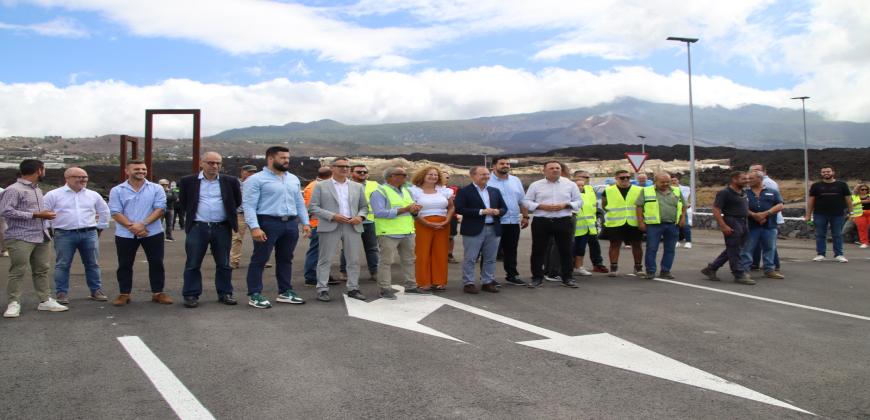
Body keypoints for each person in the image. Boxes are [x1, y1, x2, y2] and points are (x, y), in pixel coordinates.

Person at [243, 146, 312, 309]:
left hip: (290, 223)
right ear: (270, 159)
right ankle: (254, 293)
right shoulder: (256, 179)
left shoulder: (293, 179)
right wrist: (254, 227)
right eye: (282, 158)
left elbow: (299, 203)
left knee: (286, 258)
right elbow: (249, 205)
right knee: (260, 259)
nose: (286, 160)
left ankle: (285, 291)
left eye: (288, 158)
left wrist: (306, 223)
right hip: (267, 222)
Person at [1, 160, 68, 317]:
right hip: (20, 237)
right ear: (39, 170)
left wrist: (43, 214)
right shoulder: (13, 190)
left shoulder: (37, 190)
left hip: (41, 235)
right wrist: (37, 214)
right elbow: (5, 211)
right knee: (18, 270)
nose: (44, 172)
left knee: (42, 270)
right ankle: (13, 303)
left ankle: (44, 300)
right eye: (43, 169)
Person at [178, 152, 243, 308]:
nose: (214, 166)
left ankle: (225, 293)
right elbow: (185, 202)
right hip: (198, 227)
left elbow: (236, 201)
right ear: (201, 163)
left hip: (221, 227)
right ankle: (191, 294)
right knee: (193, 262)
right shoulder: (188, 181)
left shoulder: (230, 181)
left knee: (224, 263)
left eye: (218, 163)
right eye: (210, 163)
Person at [109, 159, 173, 305]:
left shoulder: (156, 188)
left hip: (153, 232)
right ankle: (124, 293)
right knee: (125, 264)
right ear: (127, 171)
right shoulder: (117, 190)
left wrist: (143, 224)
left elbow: (160, 208)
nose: (141, 172)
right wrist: (133, 227)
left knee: (156, 262)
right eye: (136, 169)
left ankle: (158, 292)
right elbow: (115, 211)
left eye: (143, 169)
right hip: (125, 234)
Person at [44, 167, 110, 304]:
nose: (83, 179)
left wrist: (100, 227)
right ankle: (61, 293)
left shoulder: (93, 195)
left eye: (85, 177)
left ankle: (96, 290)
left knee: (93, 264)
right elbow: (44, 213)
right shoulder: (53, 195)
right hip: (64, 234)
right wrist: (48, 230)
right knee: (62, 265)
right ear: (67, 178)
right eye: (78, 177)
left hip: (89, 233)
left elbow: (104, 211)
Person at [309, 157, 369, 302]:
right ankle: (322, 289)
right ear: (332, 168)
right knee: (325, 259)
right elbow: (313, 207)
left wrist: (360, 217)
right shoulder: (321, 186)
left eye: (347, 166)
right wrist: (333, 216)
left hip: (352, 225)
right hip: (330, 225)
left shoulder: (357, 186)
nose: (345, 169)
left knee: (353, 260)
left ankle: (353, 288)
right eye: (341, 166)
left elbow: (364, 207)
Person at [522, 161, 582, 289]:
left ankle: (567, 277)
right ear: (544, 171)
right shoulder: (536, 185)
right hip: (542, 221)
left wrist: (565, 205)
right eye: (551, 168)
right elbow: (526, 201)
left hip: (563, 220)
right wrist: (540, 206)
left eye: (557, 168)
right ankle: (537, 278)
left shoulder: (570, 184)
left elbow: (578, 202)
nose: (555, 170)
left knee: (566, 251)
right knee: (538, 251)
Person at [370, 166, 424, 299]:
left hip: (407, 231)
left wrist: (415, 210)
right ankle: (385, 288)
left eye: (405, 174)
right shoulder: (379, 192)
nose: (405, 177)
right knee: (386, 261)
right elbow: (379, 213)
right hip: (388, 232)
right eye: (402, 175)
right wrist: (404, 209)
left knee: (409, 260)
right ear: (391, 177)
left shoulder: (407, 191)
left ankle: (411, 286)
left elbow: (411, 211)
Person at [455, 166, 507, 293]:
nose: (486, 177)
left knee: (490, 258)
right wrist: (481, 212)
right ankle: (469, 283)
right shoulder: (464, 191)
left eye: (487, 174)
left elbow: (504, 208)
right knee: (471, 258)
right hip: (473, 229)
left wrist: (498, 211)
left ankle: (487, 282)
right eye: (482, 174)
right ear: (472, 176)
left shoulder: (495, 191)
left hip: (493, 229)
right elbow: (460, 209)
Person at [701, 171, 754, 284]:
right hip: (732, 221)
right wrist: (723, 225)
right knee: (734, 249)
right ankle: (739, 274)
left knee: (734, 249)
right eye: (744, 179)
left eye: (748, 179)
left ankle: (711, 268)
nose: (747, 181)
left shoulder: (743, 192)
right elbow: (716, 209)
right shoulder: (724, 193)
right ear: (734, 179)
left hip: (743, 222)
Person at [409, 165, 455, 292]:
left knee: (440, 253)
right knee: (422, 253)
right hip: (422, 223)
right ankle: (423, 282)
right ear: (422, 176)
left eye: (435, 175)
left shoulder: (444, 190)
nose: (433, 177)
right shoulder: (414, 191)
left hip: (443, 224)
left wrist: (446, 220)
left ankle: (439, 281)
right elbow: (412, 210)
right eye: (430, 174)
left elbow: (451, 207)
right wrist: (426, 223)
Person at [487, 157, 529, 285]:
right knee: (490, 251)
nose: (505, 165)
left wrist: (525, 216)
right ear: (494, 166)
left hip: (513, 221)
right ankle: (489, 277)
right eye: (502, 163)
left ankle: (512, 275)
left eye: (507, 163)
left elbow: (522, 200)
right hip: (495, 221)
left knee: (511, 250)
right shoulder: (487, 180)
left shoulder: (515, 180)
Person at [636, 172, 686, 279]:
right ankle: (651, 271)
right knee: (652, 248)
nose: (665, 184)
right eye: (662, 182)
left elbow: (683, 205)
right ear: (655, 182)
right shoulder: (646, 191)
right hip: (654, 225)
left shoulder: (676, 191)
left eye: (667, 182)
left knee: (670, 249)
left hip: (672, 225)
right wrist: (640, 222)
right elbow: (639, 207)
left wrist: (683, 218)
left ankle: (665, 271)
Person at [337, 163, 380, 281]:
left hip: (369, 221)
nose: (362, 174)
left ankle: (374, 272)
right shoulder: (344, 185)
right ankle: (344, 272)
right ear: (351, 173)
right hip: (350, 222)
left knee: (372, 248)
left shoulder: (375, 185)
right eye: (359, 172)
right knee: (348, 248)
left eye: (364, 172)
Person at [739, 171, 784, 279]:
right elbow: (741, 206)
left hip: (769, 225)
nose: (748, 180)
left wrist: (765, 214)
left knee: (770, 248)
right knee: (747, 249)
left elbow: (780, 205)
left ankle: (769, 269)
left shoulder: (772, 192)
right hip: (750, 226)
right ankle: (744, 270)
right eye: (748, 178)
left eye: (751, 178)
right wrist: (754, 215)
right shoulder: (743, 192)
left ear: (760, 179)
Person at [600, 169, 644, 277]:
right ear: (616, 178)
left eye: (627, 177)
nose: (625, 179)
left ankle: (638, 268)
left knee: (637, 244)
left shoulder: (639, 190)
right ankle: (613, 268)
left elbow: (643, 205)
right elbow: (604, 205)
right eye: (622, 177)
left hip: (634, 222)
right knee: (614, 245)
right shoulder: (608, 190)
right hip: (615, 222)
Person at [805, 165, 852, 263]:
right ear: (821, 173)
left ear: (833, 172)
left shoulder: (842, 185)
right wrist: (808, 215)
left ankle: (839, 255)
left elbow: (848, 200)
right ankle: (821, 254)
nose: (826, 173)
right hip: (820, 214)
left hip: (838, 214)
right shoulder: (816, 186)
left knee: (837, 234)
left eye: (828, 171)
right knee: (820, 234)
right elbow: (811, 201)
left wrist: (851, 212)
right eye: (824, 172)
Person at [572, 170, 608, 276]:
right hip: (575, 224)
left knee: (588, 246)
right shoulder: (569, 189)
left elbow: (592, 206)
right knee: (572, 247)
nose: (586, 179)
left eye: (588, 177)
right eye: (583, 177)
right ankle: (568, 266)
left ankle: (594, 264)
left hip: (589, 225)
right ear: (575, 177)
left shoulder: (589, 189)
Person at [302, 166, 333, 287]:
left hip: (318, 224)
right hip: (319, 225)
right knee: (316, 252)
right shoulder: (317, 187)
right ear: (330, 176)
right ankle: (311, 276)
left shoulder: (312, 185)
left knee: (321, 252)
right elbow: (313, 207)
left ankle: (320, 274)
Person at [748, 163, 782, 270]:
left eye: (757, 170)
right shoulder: (747, 189)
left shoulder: (769, 184)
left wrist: (764, 216)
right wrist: (755, 215)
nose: (754, 172)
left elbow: (774, 202)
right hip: (754, 222)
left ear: (764, 172)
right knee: (757, 245)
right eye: (752, 170)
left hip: (769, 221)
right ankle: (754, 264)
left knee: (769, 245)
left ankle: (773, 265)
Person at [230, 165, 259, 269]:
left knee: (259, 237)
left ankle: (261, 260)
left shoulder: (257, 183)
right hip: (240, 214)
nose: (252, 174)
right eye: (249, 172)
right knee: (237, 238)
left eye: (253, 172)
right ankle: (234, 260)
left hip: (254, 214)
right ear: (243, 172)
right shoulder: (236, 184)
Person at [671, 176, 693, 249]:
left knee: (685, 225)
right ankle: (676, 241)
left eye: (675, 180)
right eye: (672, 180)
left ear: (678, 181)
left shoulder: (685, 188)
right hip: (673, 209)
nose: (674, 182)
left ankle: (688, 241)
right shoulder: (668, 189)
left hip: (682, 209)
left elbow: (684, 197)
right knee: (675, 225)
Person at [445, 173, 461, 264]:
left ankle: (449, 254)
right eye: (443, 176)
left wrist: (458, 214)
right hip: (438, 215)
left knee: (451, 236)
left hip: (452, 216)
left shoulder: (454, 189)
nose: (445, 179)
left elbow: (460, 202)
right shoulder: (433, 189)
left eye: (447, 177)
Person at [852, 184, 870, 248]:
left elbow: (868, 201)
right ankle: (864, 242)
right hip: (859, 214)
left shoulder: (869, 195)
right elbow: (851, 203)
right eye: (862, 189)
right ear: (859, 190)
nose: (864, 191)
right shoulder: (854, 196)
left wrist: (858, 202)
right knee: (862, 229)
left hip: (869, 213)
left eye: (866, 189)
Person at [0, 185, 7, 258]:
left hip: (1, 214)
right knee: (2, 231)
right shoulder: (3, 190)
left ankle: (4, 250)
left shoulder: (2, 191)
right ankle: (4, 250)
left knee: (3, 231)